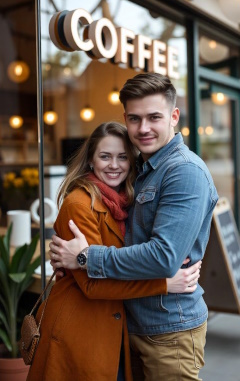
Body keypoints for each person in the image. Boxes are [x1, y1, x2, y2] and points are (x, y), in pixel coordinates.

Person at [50, 73, 219, 381]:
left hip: (170, 329)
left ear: (173, 116)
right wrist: (66, 255)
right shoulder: (141, 170)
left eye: (154, 117)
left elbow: (163, 258)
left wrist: (87, 256)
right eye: (135, 118)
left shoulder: (184, 172)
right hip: (132, 324)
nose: (143, 128)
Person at [27, 121, 201, 381]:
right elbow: (93, 286)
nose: (114, 165)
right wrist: (164, 283)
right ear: (90, 161)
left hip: (112, 327)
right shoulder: (80, 204)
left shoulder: (126, 201)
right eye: (105, 156)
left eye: (122, 157)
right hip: (81, 328)